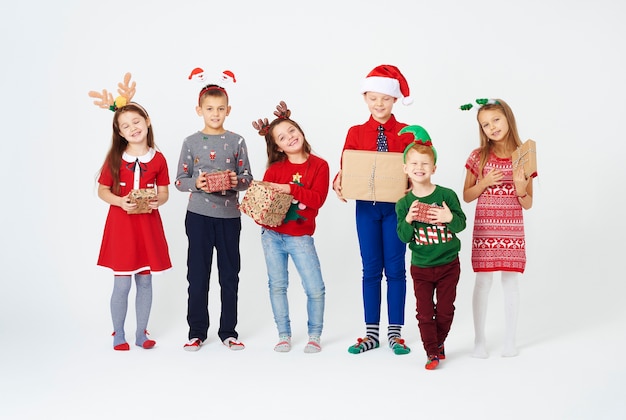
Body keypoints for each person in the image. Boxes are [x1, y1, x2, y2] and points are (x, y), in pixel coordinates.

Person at [332, 64, 415, 355]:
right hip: (366, 209)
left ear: (394, 100)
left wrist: (413, 184)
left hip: (397, 209)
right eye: (373, 98)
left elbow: (419, 167)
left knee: (396, 270)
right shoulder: (355, 133)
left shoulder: (407, 133)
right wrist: (338, 182)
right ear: (365, 98)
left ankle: (395, 333)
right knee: (370, 270)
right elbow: (347, 168)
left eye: (385, 98)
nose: (379, 104)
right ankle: (371, 334)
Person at [91, 73, 171, 351]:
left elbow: (164, 193)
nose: (133, 128)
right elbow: (102, 191)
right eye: (125, 126)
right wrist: (119, 201)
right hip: (122, 227)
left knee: (146, 282)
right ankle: (118, 333)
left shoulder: (158, 159)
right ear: (120, 133)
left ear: (147, 122)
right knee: (123, 284)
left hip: (147, 226)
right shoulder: (115, 157)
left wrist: (156, 202)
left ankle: (141, 333)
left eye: (136, 121)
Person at [175, 80, 253, 352]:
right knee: (197, 274)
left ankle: (228, 331)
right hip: (198, 216)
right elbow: (179, 180)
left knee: (229, 275)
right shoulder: (191, 142)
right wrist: (197, 183)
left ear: (228, 110)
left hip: (230, 217)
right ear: (199, 110)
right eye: (210, 108)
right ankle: (197, 332)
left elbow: (247, 179)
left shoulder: (237, 140)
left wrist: (235, 180)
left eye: (220, 108)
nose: (215, 114)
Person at [251, 101, 329, 353]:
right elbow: (262, 205)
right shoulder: (274, 169)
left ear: (300, 131)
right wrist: (258, 212)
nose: (290, 138)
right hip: (272, 236)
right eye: (282, 137)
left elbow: (317, 200)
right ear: (277, 146)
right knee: (277, 285)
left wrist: (290, 189)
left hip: (300, 237)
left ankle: (314, 335)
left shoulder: (319, 166)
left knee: (315, 288)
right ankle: (283, 334)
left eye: (292, 131)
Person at [461, 98, 535, 358]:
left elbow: (528, 204)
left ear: (507, 118)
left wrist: (521, 189)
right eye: (485, 124)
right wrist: (484, 183)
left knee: (510, 281)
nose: (491, 127)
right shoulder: (478, 156)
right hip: (486, 226)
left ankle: (510, 341)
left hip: (512, 226)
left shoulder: (524, 155)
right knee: (483, 280)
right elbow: (467, 196)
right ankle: (479, 340)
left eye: (496, 120)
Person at [395, 125, 466, 370]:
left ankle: (439, 342)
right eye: (414, 163)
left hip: (448, 264)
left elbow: (461, 225)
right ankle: (431, 352)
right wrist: (408, 220)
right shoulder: (404, 202)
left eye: (425, 163)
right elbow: (403, 238)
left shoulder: (447, 195)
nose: (419, 168)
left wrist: (449, 218)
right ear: (406, 168)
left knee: (445, 311)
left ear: (433, 168)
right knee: (424, 313)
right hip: (421, 267)